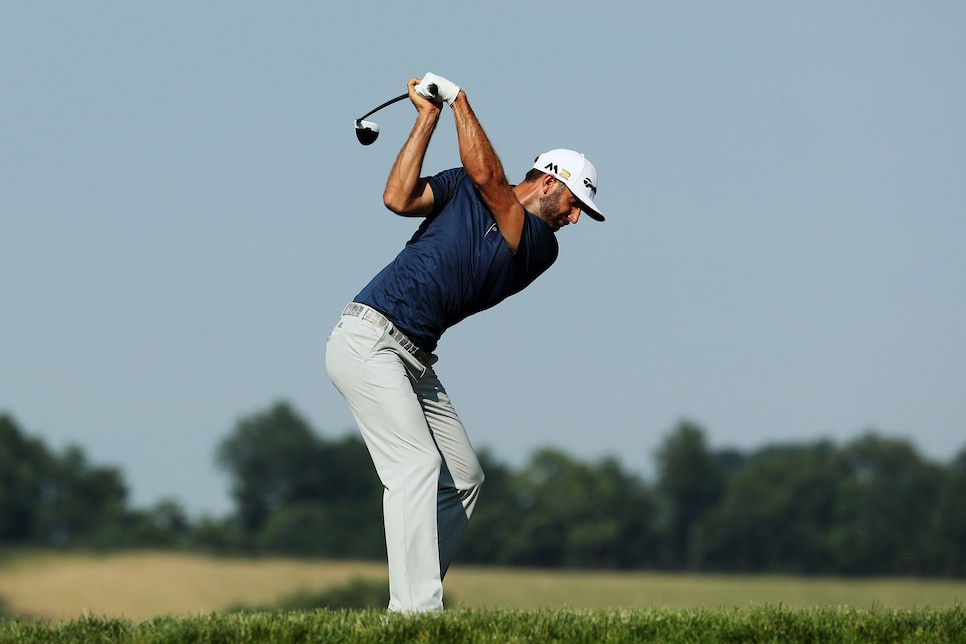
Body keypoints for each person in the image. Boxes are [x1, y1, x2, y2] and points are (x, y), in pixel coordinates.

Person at [325, 72, 605, 613]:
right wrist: (427, 117)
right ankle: (416, 615)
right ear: (549, 181)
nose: (575, 218)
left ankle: (412, 600)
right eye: (575, 203)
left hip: (412, 358)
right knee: (415, 467)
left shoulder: (540, 244)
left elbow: (493, 182)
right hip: (367, 337)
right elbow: (397, 198)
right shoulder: (464, 186)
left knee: (464, 479)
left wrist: (458, 100)